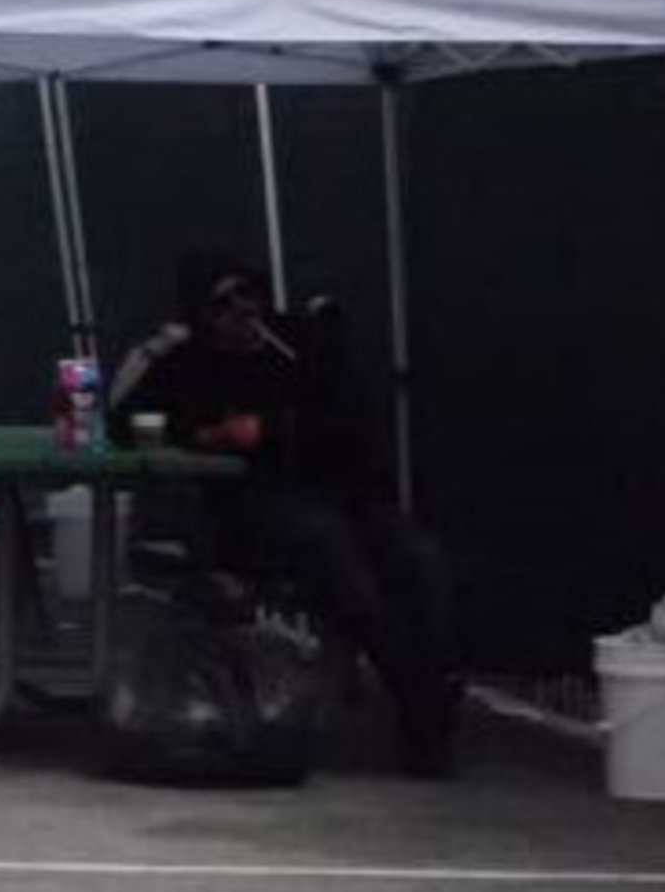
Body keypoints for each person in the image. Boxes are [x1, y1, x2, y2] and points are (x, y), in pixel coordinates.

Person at [115, 252, 462, 775]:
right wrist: (210, 436)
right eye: (223, 304)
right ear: (202, 314)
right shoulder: (189, 364)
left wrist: (276, 429)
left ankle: (431, 688)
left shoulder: (303, 347)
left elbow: (352, 429)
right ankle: (423, 701)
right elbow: (125, 423)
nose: (241, 312)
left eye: (249, 295)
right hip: (257, 509)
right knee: (341, 564)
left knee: (422, 560)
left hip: (346, 498)